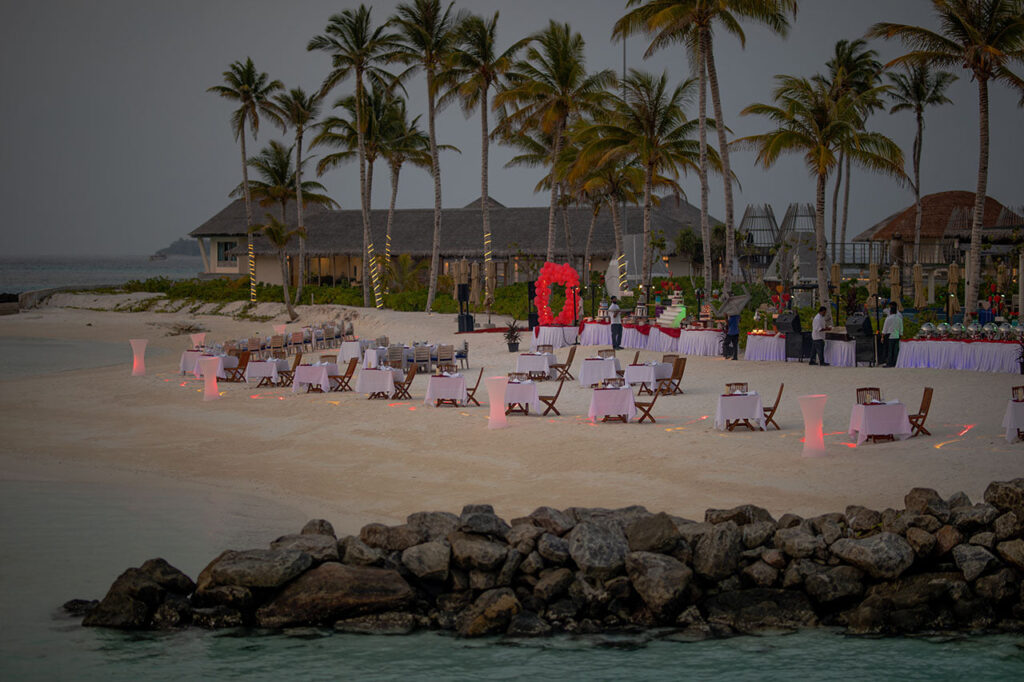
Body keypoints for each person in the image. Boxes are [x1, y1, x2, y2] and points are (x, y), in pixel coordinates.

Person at [882, 301, 903, 367]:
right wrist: (900, 334)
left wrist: (882, 336)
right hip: (896, 336)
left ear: (890, 311)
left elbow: (885, 328)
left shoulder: (888, 318)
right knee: (895, 350)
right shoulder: (899, 318)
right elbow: (901, 328)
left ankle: (889, 363)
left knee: (890, 350)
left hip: (890, 336)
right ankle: (895, 363)